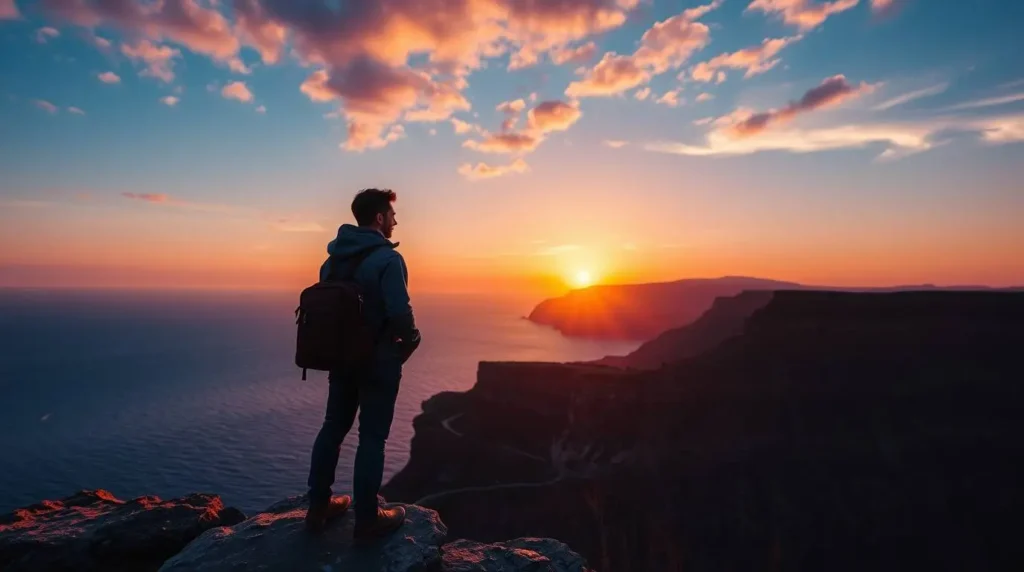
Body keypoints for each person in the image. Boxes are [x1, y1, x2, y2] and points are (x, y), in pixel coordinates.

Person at [304, 188, 422, 539]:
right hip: (378, 361)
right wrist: (412, 340)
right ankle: (367, 518)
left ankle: (318, 506)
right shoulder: (388, 259)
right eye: (392, 215)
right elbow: (399, 313)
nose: (396, 221)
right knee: (372, 437)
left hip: (340, 358)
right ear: (379, 218)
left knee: (332, 427)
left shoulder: (333, 260)